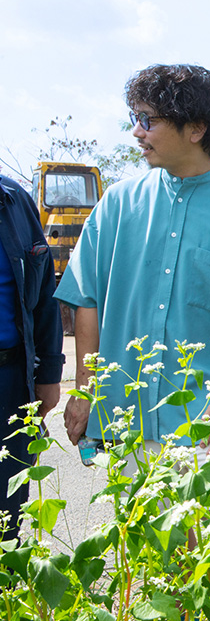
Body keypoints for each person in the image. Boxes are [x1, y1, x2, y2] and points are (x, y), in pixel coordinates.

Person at [56, 64, 210, 459]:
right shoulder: (116, 205)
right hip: (123, 420)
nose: (137, 132)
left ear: (196, 129)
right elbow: (87, 301)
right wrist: (85, 391)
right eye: (136, 118)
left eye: (148, 120)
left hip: (208, 427)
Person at [0, 174, 64, 543]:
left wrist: (49, 375)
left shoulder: (15, 202)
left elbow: (43, 294)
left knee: (8, 504)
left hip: (10, 380)